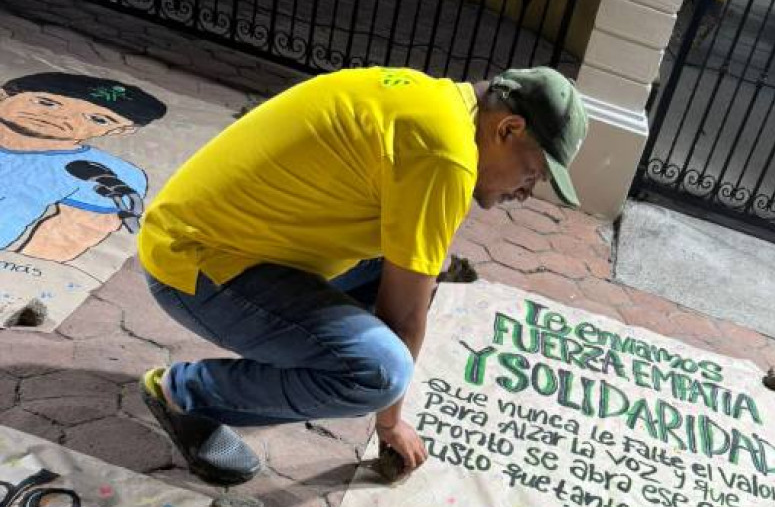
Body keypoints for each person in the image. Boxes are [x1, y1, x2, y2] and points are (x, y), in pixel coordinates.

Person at [136, 66, 587, 485]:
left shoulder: (439, 101)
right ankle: (181, 394)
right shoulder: (445, 155)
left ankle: (287, 368)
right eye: (533, 174)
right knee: (379, 375)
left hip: (208, 236)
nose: (526, 193)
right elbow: (403, 319)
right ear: (508, 129)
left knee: (422, 268)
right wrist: (389, 424)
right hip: (194, 265)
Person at [0, 73, 166, 261]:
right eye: (46, 103)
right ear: (3, 95)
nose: (61, 117)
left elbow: (66, 241)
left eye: (98, 119)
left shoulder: (102, 173)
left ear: (122, 129)